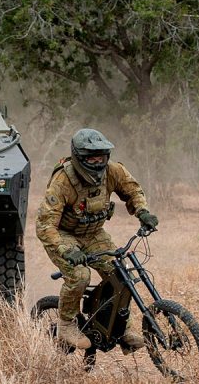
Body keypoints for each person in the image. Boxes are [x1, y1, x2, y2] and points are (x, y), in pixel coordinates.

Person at [35, 128, 159, 351]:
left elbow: (133, 191)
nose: (97, 161)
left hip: (93, 233)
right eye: (92, 157)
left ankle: (123, 328)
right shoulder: (63, 181)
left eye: (101, 157)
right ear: (79, 158)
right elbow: (45, 225)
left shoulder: (113, 171)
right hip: (64, 235)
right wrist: (65, 249)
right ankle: (66, 325)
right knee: (80, 275)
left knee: (120, 273)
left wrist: (143, 212)